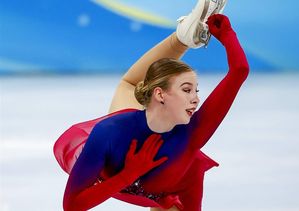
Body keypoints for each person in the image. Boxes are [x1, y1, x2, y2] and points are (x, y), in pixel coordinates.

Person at [53, 0, 249, 210]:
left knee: (129, 85)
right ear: (160, 95)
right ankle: (181, 38)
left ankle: (182, 37)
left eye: (196, 91)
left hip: (166, 185)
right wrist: (128, 175)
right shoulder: (110, 132)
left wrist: (227, 33)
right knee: (129, 85)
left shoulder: (192, 134)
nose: (196, 99)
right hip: (122, 159)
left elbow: (239, 71)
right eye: (186, 90)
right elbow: (72, 205)